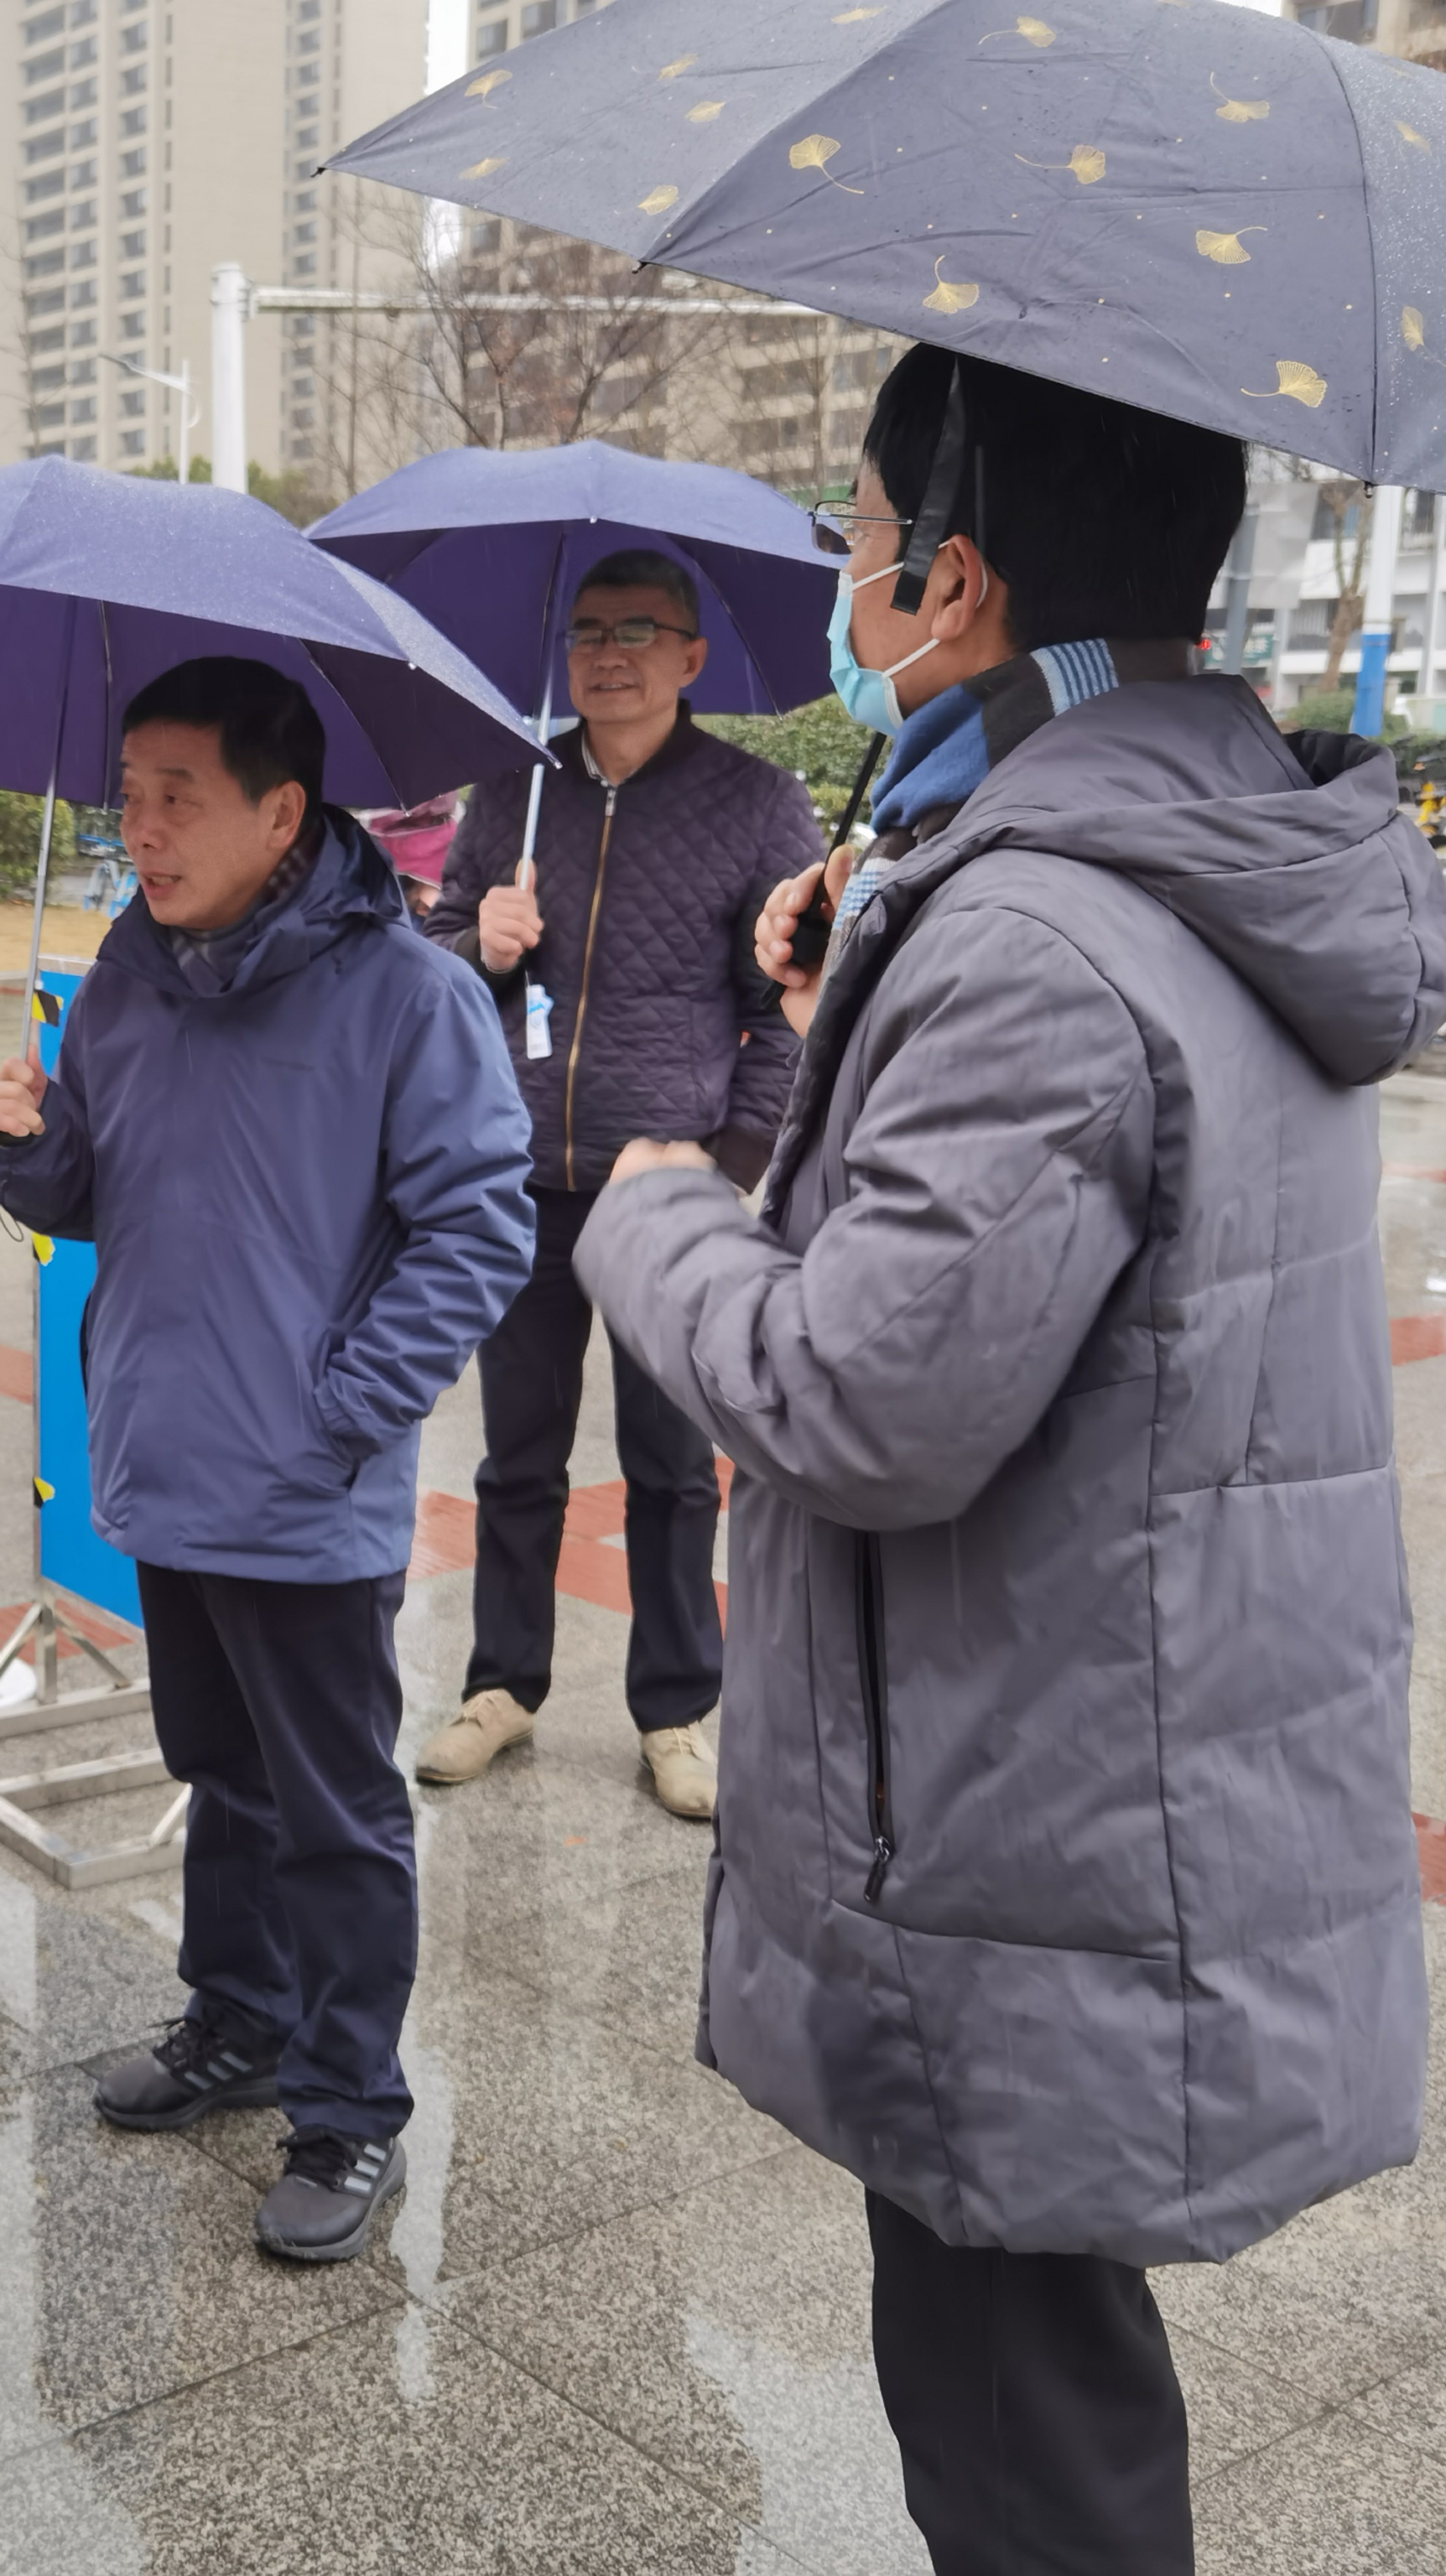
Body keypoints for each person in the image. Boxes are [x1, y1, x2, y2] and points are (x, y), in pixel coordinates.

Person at [575, 351, 1446, 2570]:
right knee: (1044, 2383)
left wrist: (659, 1212)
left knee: (1017, 2428)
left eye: (861, 534)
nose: (843, 575)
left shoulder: (1033, 932)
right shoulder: (1189, 849)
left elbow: (865, 1400)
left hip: (1018, 1809)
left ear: (953, 583)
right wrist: (864, 1000)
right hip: (1120, 1746)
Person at [0, 657, 533, 2264]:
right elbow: (94, 1189)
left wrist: (338, 1410)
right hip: (165, 1453)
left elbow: (478, 1228)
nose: (139, 830)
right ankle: (238, 2017)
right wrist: (29, 1147)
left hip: (305, 1488)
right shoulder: (130, 969)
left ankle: (349, 2105)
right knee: (219, 1769)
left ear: (282, 814)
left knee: (333, 1809)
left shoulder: (408, 996)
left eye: (178, 798)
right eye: (127, 796)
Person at [414, 549, 824, 1820]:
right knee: (516, 1457)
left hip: (667, 1190)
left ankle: (676, 1709)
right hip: (521, 1175)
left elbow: (789, 1006)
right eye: (589, 631)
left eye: (640, 631)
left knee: (670, 1462)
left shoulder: (757, 804)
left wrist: (729, 1159)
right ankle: (502, 1684)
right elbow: (430, 957)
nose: (610, 653)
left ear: (690, 658)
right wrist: (478, 941)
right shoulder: (511, 789)